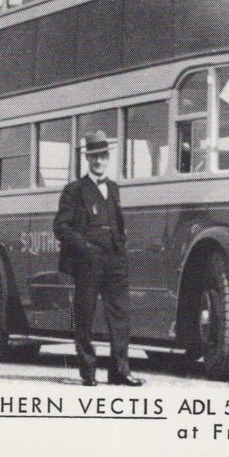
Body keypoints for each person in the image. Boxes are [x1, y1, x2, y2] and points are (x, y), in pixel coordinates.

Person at [53, 131, 144, 387]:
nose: (99, 162)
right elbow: (60, 227)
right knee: (85, 316)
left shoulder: (113, 188)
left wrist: (121, 249)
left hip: (115, 261)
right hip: (88, 262)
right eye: (94, 157)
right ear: (87, 159)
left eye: (103, 156)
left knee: (120, 315)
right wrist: (85, 248)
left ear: (108, 158)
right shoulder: (74, 190)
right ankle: (88, 372)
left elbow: (118, 223)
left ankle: (120, 371)